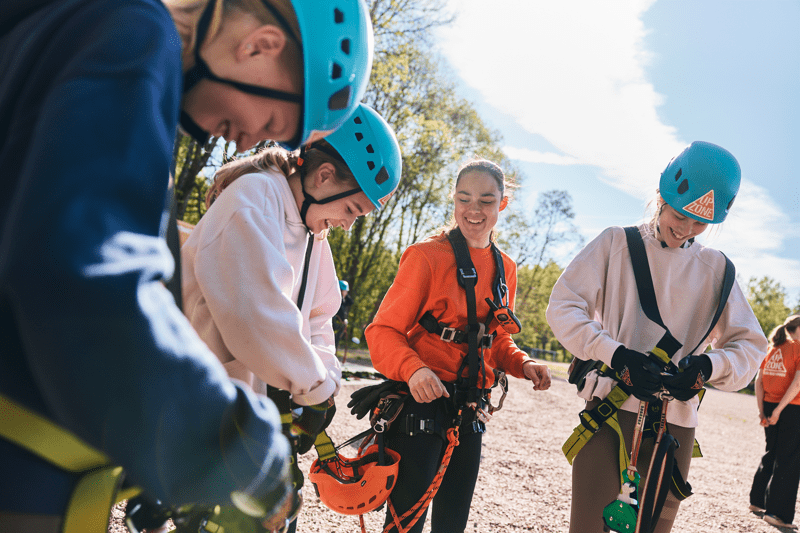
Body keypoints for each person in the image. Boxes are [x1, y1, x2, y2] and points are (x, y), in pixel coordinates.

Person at [0, 0, 374, 531]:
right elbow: (86, 289)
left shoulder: (63, 23)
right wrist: (237, 447)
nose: (248, 141)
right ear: (259, 45)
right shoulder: (133, 33)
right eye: (268, 121)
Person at [181, 103, 402, 533]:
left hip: (253, 414)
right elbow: (255, 314)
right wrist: (312, 387)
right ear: (323, 178)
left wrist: (324, 383)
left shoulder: (311, 231)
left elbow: (319, 317)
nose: (346, 223)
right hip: (207, 407)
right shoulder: (252, 200)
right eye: (353, 210)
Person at [546, 141, 768, 533]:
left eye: (700, 223)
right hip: (610, 412)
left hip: (676, 426)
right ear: (663, 194)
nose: (685, 229)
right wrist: (614, 354)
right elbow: (563, 307)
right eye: (680, 214)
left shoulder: (717, 270)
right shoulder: (616, 244)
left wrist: (707, 366)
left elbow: (750, 348)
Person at [364, 158, 552, 533]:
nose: (473, 209)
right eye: (464, 198)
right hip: (422, 403)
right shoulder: (426, 257)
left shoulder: (506, 268)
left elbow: (497, 340)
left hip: (470, 406)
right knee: (405, 522)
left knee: (453, 521)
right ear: (453, 199)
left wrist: (522, 363)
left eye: (485, 200)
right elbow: (382, 331)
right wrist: (413, 369)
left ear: (502, 203)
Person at [749, 315, 800, 530]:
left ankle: (757, 501)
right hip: (791, 407)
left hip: (770, 405)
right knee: (788, 459)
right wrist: (780, 410)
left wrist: (763, 410)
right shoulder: (798, 347)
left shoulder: (773, 348)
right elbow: (798, 383)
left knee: (772, 452)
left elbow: (758, 381)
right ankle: (777, 513)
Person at [333, 279, 354, 353]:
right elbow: (341, 311)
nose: (347, 292)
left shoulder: (343, 299)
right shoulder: (337, 299)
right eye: (346, 291)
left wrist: (344, 296)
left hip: (338, 323)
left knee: (336, 341)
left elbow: (351, 302)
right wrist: (344, 320)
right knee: (334, 341)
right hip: (335, 323)